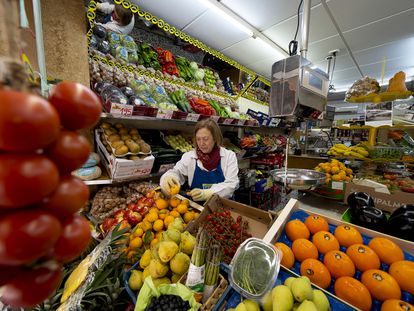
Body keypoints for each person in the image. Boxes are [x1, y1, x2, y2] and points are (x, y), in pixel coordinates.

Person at [160, 119, 239, 202]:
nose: (201, 143)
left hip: (222, 206)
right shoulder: (190, 157)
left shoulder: (229, 156)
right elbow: (176, 172)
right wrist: (169, 177)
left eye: (205, 139)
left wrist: (208, 193)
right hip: (197, 207)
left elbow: (232, 184)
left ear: (215, 138)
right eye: (198, 139)